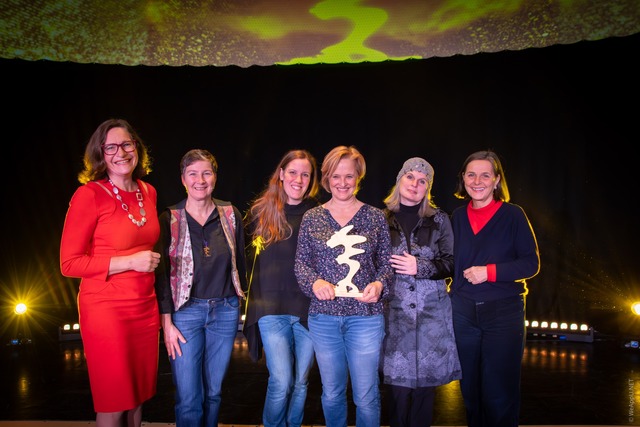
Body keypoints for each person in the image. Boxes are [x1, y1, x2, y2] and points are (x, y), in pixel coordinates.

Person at [60, 118, 161, 427]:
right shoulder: (89, 195)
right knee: (115, 400)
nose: (121, 153)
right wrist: (130, 262)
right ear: (100, 154)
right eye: (111, 147)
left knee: (138, 397)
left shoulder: (148, 192)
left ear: (137, 148)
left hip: (145, 307)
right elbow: (69, 263)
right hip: (107, 310)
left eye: (127, 144)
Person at [294, 145, 393, 427]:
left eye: (349, 176)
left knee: (366, 395)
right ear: (327, 178)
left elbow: (387, 264)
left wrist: (379, 284)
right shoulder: (312, 217)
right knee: (332, 392)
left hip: (365, 318)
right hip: (324, 318)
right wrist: (315, 282)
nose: (342, 183)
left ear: (358, 177)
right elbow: (301, 264)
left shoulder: (375, 217)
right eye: (336, 176)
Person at [154, 149, 248, 427]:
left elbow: (240, 264)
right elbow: (162, 276)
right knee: (189, 398)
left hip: (225, 311)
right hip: (185, 313)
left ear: (215, 177)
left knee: (214, 393)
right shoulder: (170, 218)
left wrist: (241, 303)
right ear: (183, 179)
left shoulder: (230, 214)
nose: (200, 180)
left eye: (207, 173)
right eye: (193, 174)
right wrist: (166, 323)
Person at [449, 150, 540, 427]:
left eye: (485, 175)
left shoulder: (513, 215)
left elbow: (531, 263)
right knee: (470, 391)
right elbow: (448, 263)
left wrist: (488, 272)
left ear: (497, 180)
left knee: (499, 393)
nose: (477, 181)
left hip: (503, 313)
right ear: (463, 178)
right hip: (463, 313)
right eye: (471, 174)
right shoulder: (456, 217)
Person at [381, 157, 462, 427]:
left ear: (428, 187)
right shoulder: (380, 219)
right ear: (399, 179)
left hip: (431, 317)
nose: (415, 184)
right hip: (394, 316)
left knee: (424, 394)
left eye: (422, 181)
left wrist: (421, 267)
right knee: (397, 392)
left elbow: (452, 263)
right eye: (410, 177)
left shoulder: (439, 220)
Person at [243, 149, 320, 427]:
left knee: (301, 382)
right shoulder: (260, 212)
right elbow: (243, 259)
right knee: (282, 380)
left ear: (311, 179)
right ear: (281, 174)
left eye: (305, 174)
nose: (298, 180)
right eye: (293, 172)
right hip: (271, 309)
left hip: (308, 311)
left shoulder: (318, 215)